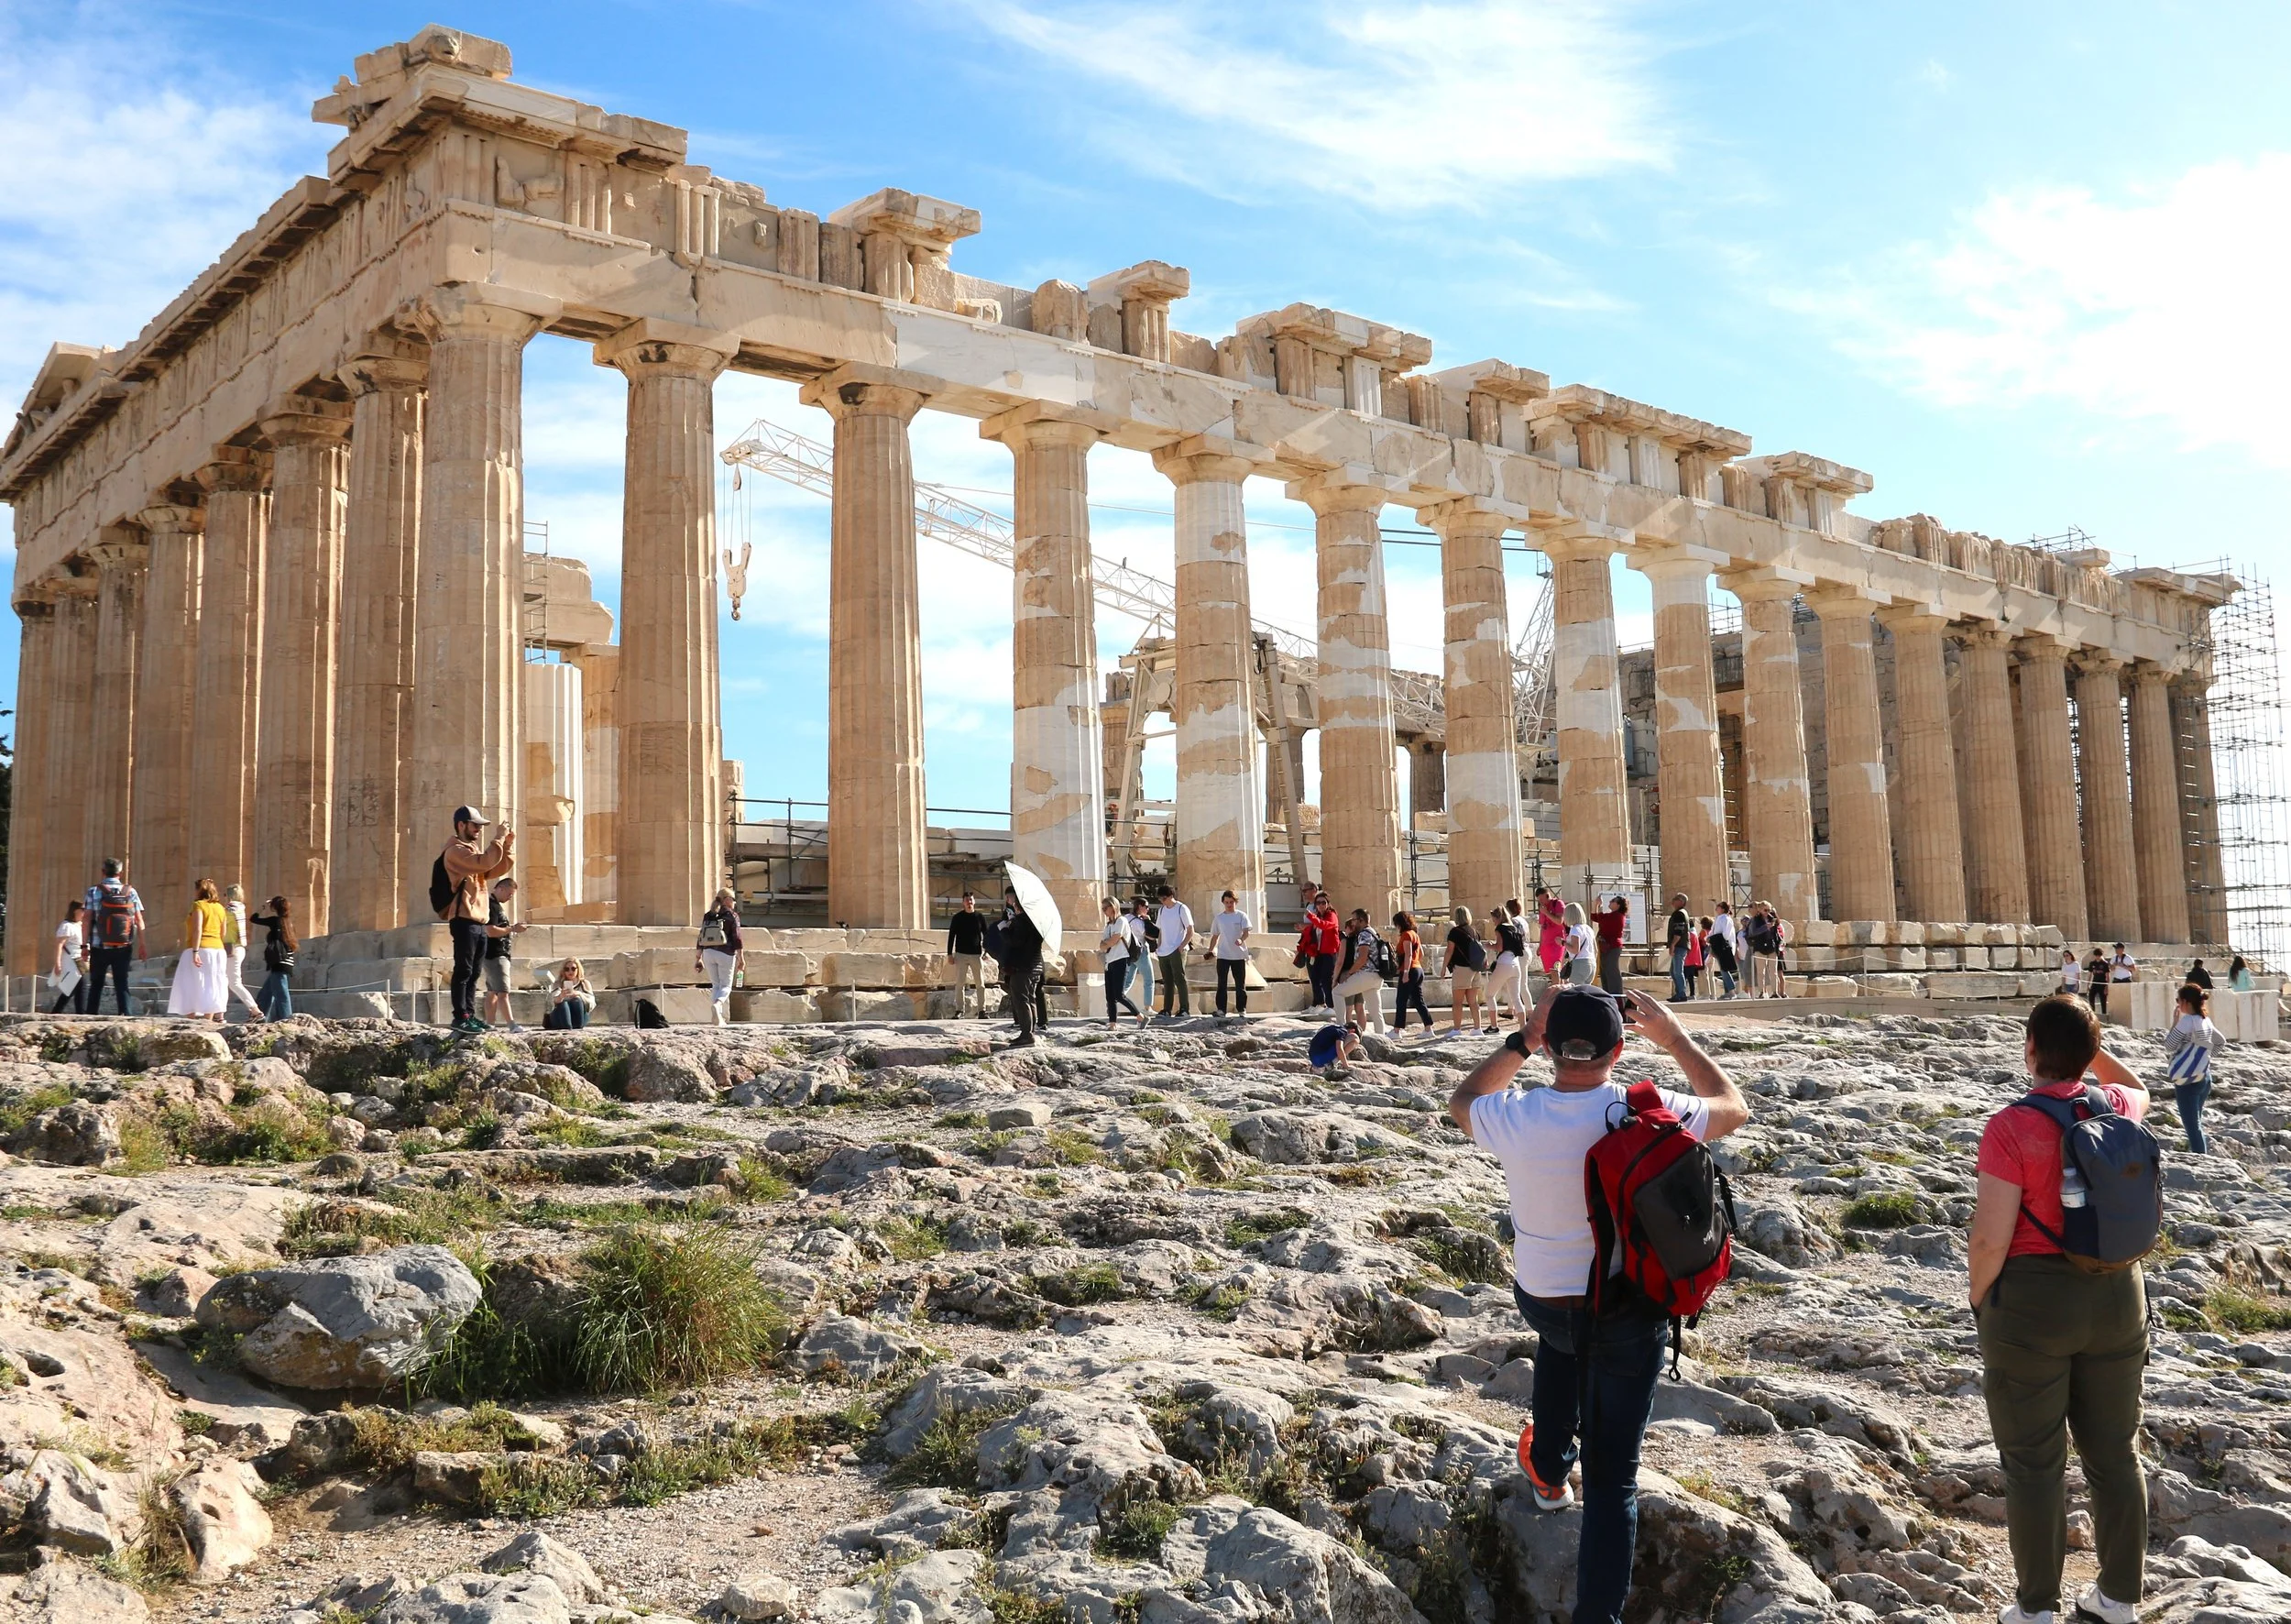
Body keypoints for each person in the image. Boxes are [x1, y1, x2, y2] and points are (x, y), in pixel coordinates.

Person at [1447, 983, 1749, 1624]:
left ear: (1552, 1049)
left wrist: (1522, 1040)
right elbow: (1733, 1107)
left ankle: (1549, 1468)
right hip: (1626, 1312)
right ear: (1619, 1050)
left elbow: (1462, 1100)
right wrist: (1673, 1037)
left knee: (1562, 1339)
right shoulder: (1646, 1109)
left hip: (1543, 1298)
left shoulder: (1517, 1115)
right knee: (1613, 1481)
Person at [1966, 996, 2150, 1624]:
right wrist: (2090, 1050)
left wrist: (1982, 1300)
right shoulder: (2115, 1105)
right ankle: (2119, 1599)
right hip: (2119, 1292)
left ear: (2030, 1050)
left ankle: (2036, 1608)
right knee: (2116, 1453)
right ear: (2088, 1053)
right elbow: (2138, 1086)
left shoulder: (2010, 1126)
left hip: (2033, 1303)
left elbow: (1990, 1238)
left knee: (2034, 1465)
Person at [439, 807, 515, 1033]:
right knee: (463, 970)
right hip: (464, 919)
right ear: (461, 825)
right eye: (475, 825)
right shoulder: (455, 852)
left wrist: (507, 846)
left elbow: (496, 867)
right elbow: (485, 862)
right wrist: (498, 838)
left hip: (479, 921)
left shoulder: (471, 853)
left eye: (480, 826)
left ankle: (470, 1015)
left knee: (474, 973)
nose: (479, 830)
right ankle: (460, 1017)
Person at [2164, 982, 2224, 1156]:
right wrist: (2205, 1058)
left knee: (2192, 1126)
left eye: (2178, 1000)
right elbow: (2221, 1042)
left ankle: (2201, 1160)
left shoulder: (2187, 1021)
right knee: (2196, 1122)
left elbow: (2169, 1046)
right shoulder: (2205, 1020)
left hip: (2187, 1079)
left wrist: (2175, 1023)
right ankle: (2200, 1155)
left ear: (2186, 1002)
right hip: (2204, 1076)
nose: (2177, 1004)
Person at [82, 859, 147, 1016]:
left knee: (96, 984)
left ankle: (90, 1015)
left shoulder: (94, 891)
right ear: (120, 873)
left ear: (103, 872)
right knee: (122, 982)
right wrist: (142, 944)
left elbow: (87, 919)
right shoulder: (130, 892)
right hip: (123, 945)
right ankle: (126, 1015)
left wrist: (84, 945)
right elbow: (139, 920)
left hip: (99, 945)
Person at [166, 878, 232, 1022]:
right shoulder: (220, 908)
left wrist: (195, 951)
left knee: (190, 982)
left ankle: (191, 1018)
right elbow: (223, 932)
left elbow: (197, 929)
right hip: (218, 949)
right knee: (213, 983)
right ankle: (208, 1019)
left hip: (200, 947)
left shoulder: (198, 905)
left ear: (199, 890)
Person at [996, 886, 1046, 1047]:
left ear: (1018, 906)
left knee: (1021, 1000)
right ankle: (1030, 1032)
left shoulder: (1020, 921)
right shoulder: (1036, 922)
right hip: (1035, 966)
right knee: (1030, 999)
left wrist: (1004, 929)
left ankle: (1026, 1034)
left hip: (1022, 967)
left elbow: (1015, 942)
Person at [479, 877, 531, 1030]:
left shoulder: (494, 905)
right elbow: (490, 930)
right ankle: (512, 1025)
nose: (510, 898)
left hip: (494, 954)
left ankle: (490, 1024)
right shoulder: (492, 906)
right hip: (496, 955)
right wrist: (513, 929)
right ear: (500, 888)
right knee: (503, 992)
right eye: (509, 894)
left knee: (492, 992)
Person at [696, 885, 742, 1026]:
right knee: (726, 986)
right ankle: (718, 1004)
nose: (734, 902)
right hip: (725, 952)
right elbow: (737, 938)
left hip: (708, 953)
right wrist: (741, 959)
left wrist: (698, 958)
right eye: (733, 899)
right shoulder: (732, 915)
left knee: (716, 985)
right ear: (727, 900)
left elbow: (701, 936)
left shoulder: (708, 915)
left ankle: (718, 1017)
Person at [1335, 908, 1387, 1034]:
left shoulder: (1364, 934)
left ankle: (1340, 1030)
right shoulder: (1374, 932)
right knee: (1376, 1011)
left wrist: (1349, 973)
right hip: (1377, 976)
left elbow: (1362, 958)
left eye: (1354, 920)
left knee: (1337, 993)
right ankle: (1381, 1036)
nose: (1352, 923)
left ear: (1361, 920)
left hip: (1366, 974)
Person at [220, 883, 263, 1020]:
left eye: (225, 895)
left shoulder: (229, 910)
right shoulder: (240, 909)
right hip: (238, 948)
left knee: (234, 983)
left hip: (231, 948)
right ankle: (219, 1013)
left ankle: (255, 1010)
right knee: (225, 981)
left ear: (229, 896)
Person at [1208, 889, 1253, 1021]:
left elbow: (1246, 932)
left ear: (1235, 902)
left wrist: (1241, 940)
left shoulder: (1241, 915)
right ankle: (1221, 1009)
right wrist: (1210, 950)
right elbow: (1215, 936)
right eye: (1226, 902)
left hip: (1238, 955)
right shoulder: (1219, 918)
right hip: (1223, 954)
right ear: (1223, 902)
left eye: (1231, 902)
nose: (1229, 905)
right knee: (1222, 983)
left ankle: (1242, 1009)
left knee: (1240, 984)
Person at [1100, 896, 1144, 1029]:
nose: (1104, 911)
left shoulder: (1121, 921)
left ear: (1113, 907)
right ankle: (1112, 1023)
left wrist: (1107, 943)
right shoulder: (1108, 925)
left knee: (1119, 995)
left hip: (1121, 959)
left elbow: (1113, 940)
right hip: (1109, 961)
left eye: (1105, 908)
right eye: (1102, 908)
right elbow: (1102, 945)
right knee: (1110, 996)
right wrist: (1107, 943)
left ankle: (1139, 1016)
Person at [250, 895, 297, 1021]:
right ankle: (260, 1018)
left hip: (279, 962)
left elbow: (253, 919)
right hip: (286, 960)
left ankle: (287, 1019)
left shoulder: (275, 921)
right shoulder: (289, 923)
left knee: (281, 994)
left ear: (275, 907)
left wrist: (263, 907)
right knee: (265, 993)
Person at [1152, 885, 1195, 1018]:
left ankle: (1184, 1009)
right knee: (1167, 981)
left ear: (1171, 896)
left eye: (1164, 898)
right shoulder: (1161, 910)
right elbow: (1161, 930)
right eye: (1160, 899)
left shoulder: (1182, 908)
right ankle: (1167, 1009)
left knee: (1180, 979)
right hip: (1163, 950)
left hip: (1177, 948)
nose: (1162, 901)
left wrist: (1182, 946)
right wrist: (1159, 946)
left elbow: (1190, 930)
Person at [946, 891, 991, 1016]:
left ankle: (982, 1010)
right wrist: (949, 954)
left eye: (971, 900)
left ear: (974, 901)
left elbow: (987, 936)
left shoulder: (980, 917)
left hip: (976, 954)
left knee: (980, 984)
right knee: (960, 984)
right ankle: (959, 1010)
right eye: (967, 900)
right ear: (963, 903)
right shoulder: (957, 918)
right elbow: (951, 936)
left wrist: (987, 951)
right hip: (961, 954)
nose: (969, 902)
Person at [1446, 906, 1488, 1033]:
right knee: (1473, 1002)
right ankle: (1477, 1028)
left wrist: (1443, 968)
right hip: (1475, 968)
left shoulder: (1455, 932)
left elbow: (1449, 951)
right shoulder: (1474, 931)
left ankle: (1457, 1029)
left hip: (1461, 968)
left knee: (1457, 1002)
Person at [1299, 891, 1341, 1013]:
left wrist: (1311, 917)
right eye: (1318, 903)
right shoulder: (1318, 916)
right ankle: (1319, 1003)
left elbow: (1324, 925)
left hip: (1329, 952)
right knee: (1315, 978)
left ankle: (1332, 1005)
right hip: (1317, 952)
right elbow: (1315, 929)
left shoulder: (1331, 915)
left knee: (1327, 979)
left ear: (1328, 904)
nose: (1321, 905)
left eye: (1323, 903)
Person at [1392, 911, 1433, 1030]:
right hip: (1418, 969)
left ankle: (1397, 1029)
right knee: (1418, 1000)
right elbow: (1421, 954)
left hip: (1409, 970)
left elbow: (1408, 954)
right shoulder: (1414, 934)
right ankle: (1428, 1027)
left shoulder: (1406, 935)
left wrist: (1405, 972)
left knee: (1401, 1000)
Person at [1487, 902, 1527, 1021]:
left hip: (1504, 963)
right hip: (1515, 963)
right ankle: (1523, 1025)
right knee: (1516, 998)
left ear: (1498, 917)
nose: (1493, 921)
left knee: (1489, 995)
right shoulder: (1513, 927)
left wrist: (1489, 946)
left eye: (1494, 918)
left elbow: (1499, 947)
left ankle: (1494, 1026)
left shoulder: (1500, 928)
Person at [49, 900, 87, 1015]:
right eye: (83, 909)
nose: (85, 912)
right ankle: (81, 1014)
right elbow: (59, 945)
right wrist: (58, 964)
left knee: (73, 988)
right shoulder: (66, 926)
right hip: (71, 960)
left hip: (80, 960)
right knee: (78, 986)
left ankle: (57, 1012)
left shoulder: (81, 925)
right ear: (75, 910)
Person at [544, 958, 596, 1029]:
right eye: (567, 969)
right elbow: (551, 1003)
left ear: (578, 969)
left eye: (573, 969)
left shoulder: (584, 984)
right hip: (561, 1016)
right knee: (563, 1003)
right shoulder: (558, 983)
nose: (570, 971)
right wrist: (561, 996)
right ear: (564, 971)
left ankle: (576, 1026)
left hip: (579, 1016)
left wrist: (579, 994)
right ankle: (567, 1026)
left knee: (577, 1000)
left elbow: (592, 1004)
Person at [1743, 903, 1781, 999]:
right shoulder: (1755, 920)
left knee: (1773, 971)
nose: (1767, 912)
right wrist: (1765, 927)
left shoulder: (1772, 918)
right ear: (1759, 910)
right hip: (1759, 947)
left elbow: (1776, 931)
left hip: (1771, 946)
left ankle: (1775, 992)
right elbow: (1752, 933)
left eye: (1769, 910)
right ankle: (1761, 992)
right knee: (1761, 971)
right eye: (1765, 910)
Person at [1129, 897, 1158, 1013]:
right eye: (1146, 907)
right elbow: (1151, 935)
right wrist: (1148, 921)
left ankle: (1115, 1001)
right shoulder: (1139, 922)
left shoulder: (1126, 918)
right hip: (1140, 952)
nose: (1148, 909)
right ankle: (1148, 1007)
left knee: (1127, 981)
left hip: (1128, 953)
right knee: (1149, 980)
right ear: (1140, 907)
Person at [1663, 893, 1693, 1002]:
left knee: (1677, 971)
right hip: (1681, 945)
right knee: (1673, 971)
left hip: (1679, 945)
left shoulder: (1679, 914)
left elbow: (1678, 931)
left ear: (1681, 902)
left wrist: (1673, 944)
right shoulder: (1682, 913)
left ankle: (1681, 993)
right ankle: (1679, 992)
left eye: (1675, 899)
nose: (1672, 901)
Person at [1595, 896, 1628, 995]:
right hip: (1605, 946)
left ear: (1618, 905)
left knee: (1611, 970)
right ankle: (1608, 993)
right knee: (1604, 971)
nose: (1610, 901)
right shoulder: (1611, 915)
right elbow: (1595, 917)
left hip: (1613, 946)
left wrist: (1597, 906)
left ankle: (1616, 994)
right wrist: (1596, 905)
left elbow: (1599, 918)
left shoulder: (1617, 916)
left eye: (1613, 901)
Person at [1708, 901, 1740, 999]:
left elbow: (1726, 934)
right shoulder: (1718, 918)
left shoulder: (1726, 919)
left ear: (1722, 909)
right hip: (1717, 944)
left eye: (1718, 906)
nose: (1716, 908)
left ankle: (1732, 991)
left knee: (1724, 969)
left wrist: (1714, 938)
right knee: (1723, 968)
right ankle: (1727, 991)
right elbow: (1713, 931)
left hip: (1724, 946)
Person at [1561, 902, 1595, 987]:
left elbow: (1575, 950)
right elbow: (1596, 950)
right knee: (1587, 990)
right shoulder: (1589, 928)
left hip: (1579, 963)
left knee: (1576, 991)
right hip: (1591, 963)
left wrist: (1563, 942)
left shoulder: (1575, 929)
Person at [1536, 887, 1566, 977]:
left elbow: (1559, 921)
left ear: (1547, 895)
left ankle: (1558, 985)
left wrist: (1546, 913)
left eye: (1542, 899)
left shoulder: (1558, 903)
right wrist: (1540, 945)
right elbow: (1543, 928)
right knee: (1549, 973)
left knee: (1556, 970)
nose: (1541, 902)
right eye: (1539, 900)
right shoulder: (1542, 908)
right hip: (1546, 946)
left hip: (1557, 944)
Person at [1683, 916, 1710, 1000]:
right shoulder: (1694, 934)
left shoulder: (1690, 935)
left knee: (1685, 977)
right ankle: (1692, 993)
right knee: (1690, 978)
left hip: (1689, 959)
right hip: (1694, 959)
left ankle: (1684, 993)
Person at [2082, 947, 2110, 1015]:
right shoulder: (2092, 963)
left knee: (2103, 1000)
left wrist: (2107, 986)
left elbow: (2107, 975)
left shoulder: (2105, 964)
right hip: (2094, 983)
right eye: (2096, 955)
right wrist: (2088, 985)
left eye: (2099, 955)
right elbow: (2090, 974)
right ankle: (2092, 1013)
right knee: (2091, 997)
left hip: (2102, 983)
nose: (2098, 957)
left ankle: (2104, 1014)